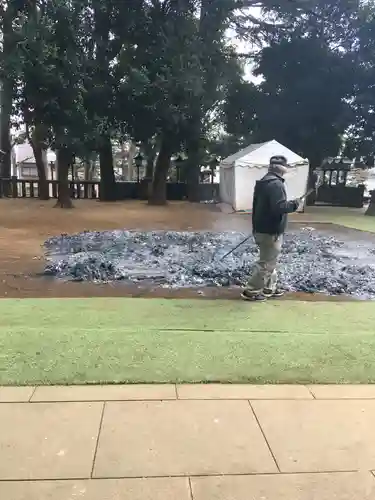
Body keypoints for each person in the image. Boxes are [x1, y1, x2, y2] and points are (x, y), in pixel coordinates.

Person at [241, 155, 300, 301]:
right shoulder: (276, 184)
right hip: (270, 231)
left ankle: (269, 288)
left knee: (270, 261)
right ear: (283, 169)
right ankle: (251, 291)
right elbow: (279, 207)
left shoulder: (264, 182)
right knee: (266, 263)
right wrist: (294, 204)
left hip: (262, 228)